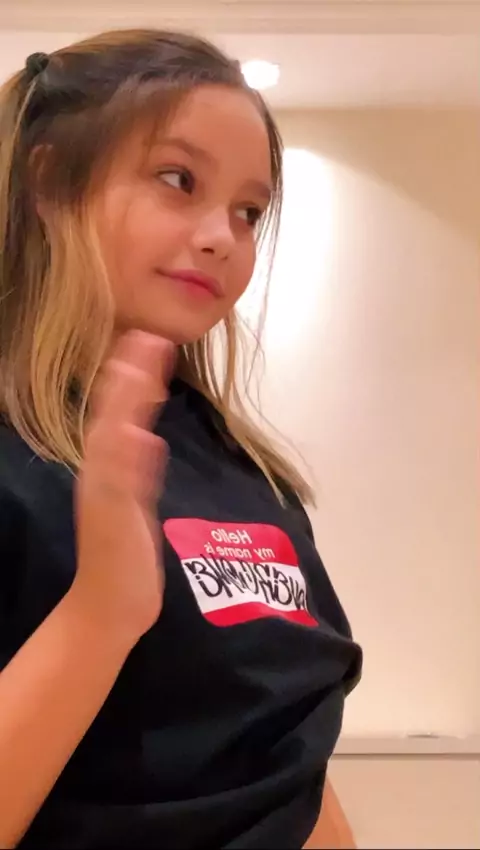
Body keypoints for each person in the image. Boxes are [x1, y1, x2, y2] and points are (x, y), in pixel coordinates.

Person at [0, 29, 362, 849]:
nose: (222, 236)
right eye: (177, 179)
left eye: (248, 211)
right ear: (49, 181)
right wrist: (102, 613)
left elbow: (286, 761)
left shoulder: (246, 469)